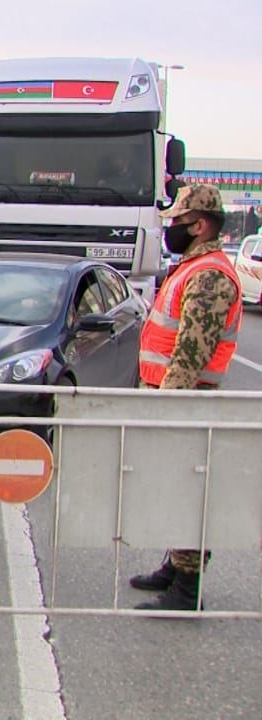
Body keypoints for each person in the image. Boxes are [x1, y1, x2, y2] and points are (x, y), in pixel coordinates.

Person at [130, 184, 243, 612]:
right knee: (173, 485)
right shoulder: (195, 267)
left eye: (176, 222)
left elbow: (191, 351)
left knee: (185, 487)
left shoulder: (209, 275)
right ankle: (176, 565)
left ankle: (186, 587)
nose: (170, 230)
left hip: (184, 399)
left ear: (199, 225)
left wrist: (168, 407)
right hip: (172, 394)